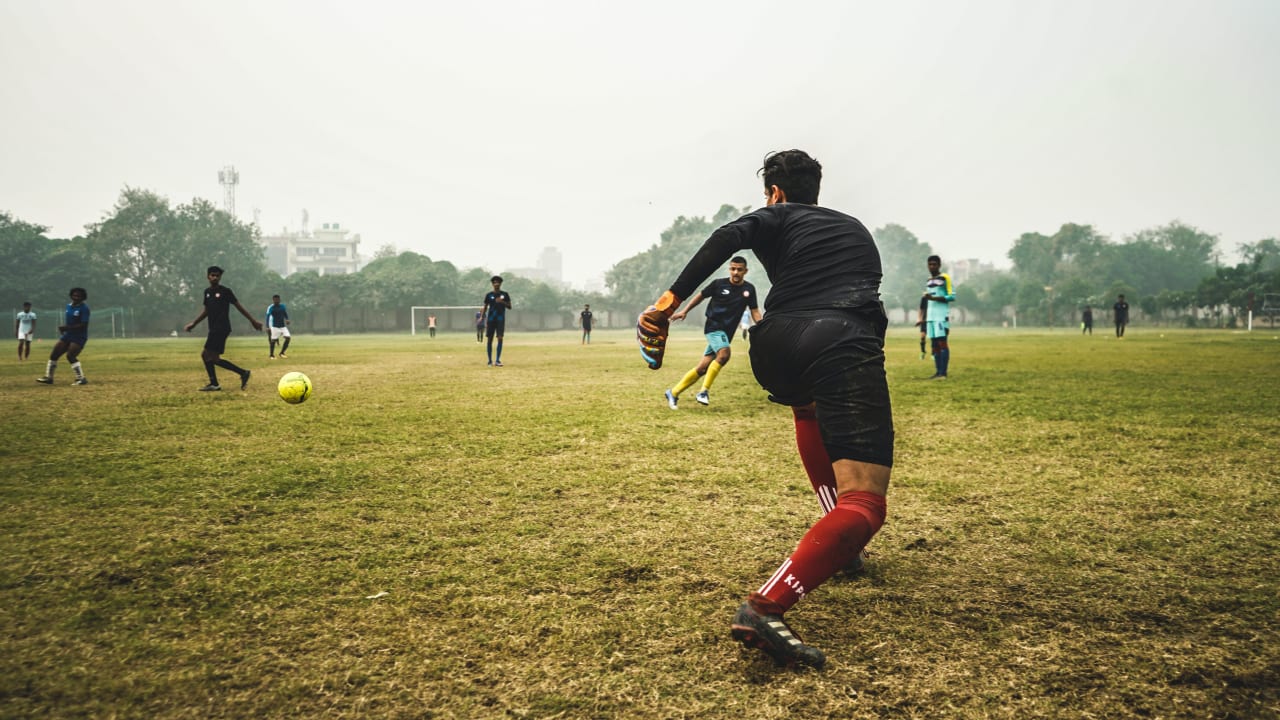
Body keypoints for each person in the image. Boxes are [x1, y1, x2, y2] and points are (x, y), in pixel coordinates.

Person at [637, 149, 892, 669]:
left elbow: (726, 237)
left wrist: (665, 304)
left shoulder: (774, 216)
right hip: (840, 336)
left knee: (808, 410)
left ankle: (838, 543)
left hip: (773, 344)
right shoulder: (853, 228)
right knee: (865, 504)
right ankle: (766, 605)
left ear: (774, 193)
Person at [663, 256, 762, 409]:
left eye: (739, 270)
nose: (735, 272)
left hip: (726, 333)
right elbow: (700, 296)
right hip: (714, 327)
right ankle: (703, 392)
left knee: (702, 368)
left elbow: (754, 310)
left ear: (745, 271)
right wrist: (684, 311)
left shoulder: (749, 289)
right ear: (729, 269)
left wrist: (762, 327)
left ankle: (673, 392)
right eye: (733, 269)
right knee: (724, 354)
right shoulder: (718, 284)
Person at [184, 266, 263, 391]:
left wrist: (252, 321)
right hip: (213, 328)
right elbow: (206, 311)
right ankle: (240, 374)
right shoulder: (207, 292)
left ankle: (218, 382)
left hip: (221, 328)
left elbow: (239, 306)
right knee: (210, 357)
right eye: (212, 275)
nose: (215, 277)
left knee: (207, 355)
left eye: (217, 275)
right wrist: (194, 323)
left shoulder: (226, 291)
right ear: (208, 276)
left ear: (220, 277)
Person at [36, 288, 90, 385]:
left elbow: (83, 324)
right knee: (54, 354)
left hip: (79, 336)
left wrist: (66, 327)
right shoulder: (68, 306)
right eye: (74, 295)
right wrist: (65, 329)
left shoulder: (84, 308)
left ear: (83, 297)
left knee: (70, 356)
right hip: (68, 335)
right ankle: (49, 377)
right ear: (71, 295)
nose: (76, 297)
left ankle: (81, 378)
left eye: (79, 296)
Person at [920, 255, 955, 379]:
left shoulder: (945, 278)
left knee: (942, 343)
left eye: (934, 264)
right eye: (930, 264)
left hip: (941, 317)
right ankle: (937, 372)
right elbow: (927, 300)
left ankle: (943, 373)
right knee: (934, 345)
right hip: (930, 317)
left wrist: (934, 298)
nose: (932, 266)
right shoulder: (928, 280)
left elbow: (952, 296)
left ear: (939, 265)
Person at [482, 275, 512, 366]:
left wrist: (502, 302)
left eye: (498, 282)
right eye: (494, 282)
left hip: (500, 319)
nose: (496, 284)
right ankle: (490, 360)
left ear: (500, 284)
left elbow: (510, 307)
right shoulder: (489, 295)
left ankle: (498, 360)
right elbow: (485, 307)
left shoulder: (505, 294)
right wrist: (482, 317)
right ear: (492, 284)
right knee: (490, 339)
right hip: (491, 319)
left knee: (500, 338)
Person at [265, 294, 291, 358]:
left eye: (278, 299)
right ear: (273, 300)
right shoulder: (271, 308)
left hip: (283, 326)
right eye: (275, 300)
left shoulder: (283, 306)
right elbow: (267, 317)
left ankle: (282, 353)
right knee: (273, 341)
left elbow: (284, 313)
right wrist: (267, 326)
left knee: (288, 338)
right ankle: (271, 355)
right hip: (275, 327)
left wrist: (287, 319)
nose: (277, 301)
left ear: (279, 300)